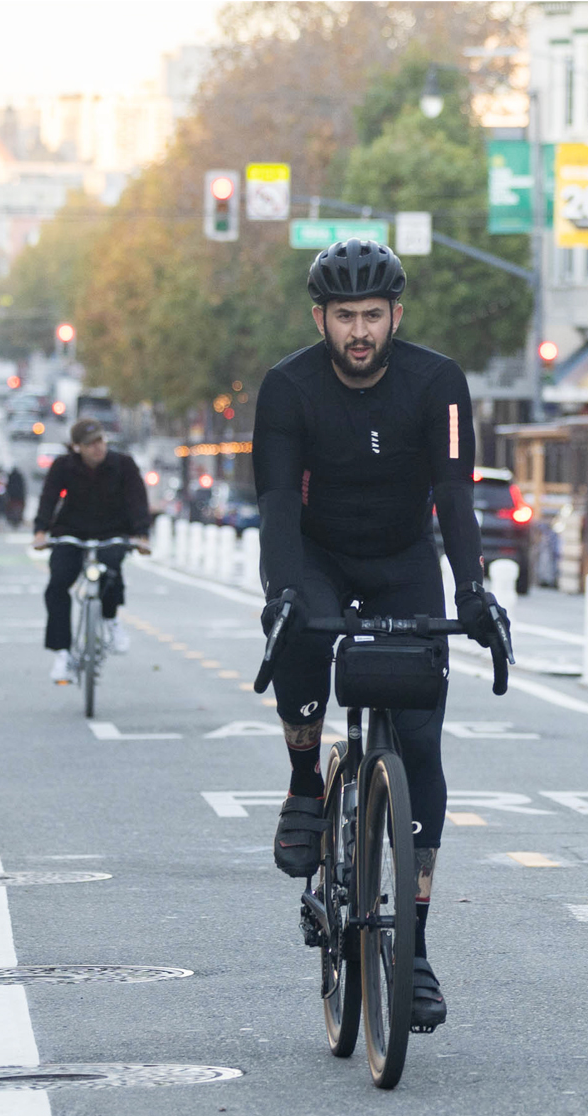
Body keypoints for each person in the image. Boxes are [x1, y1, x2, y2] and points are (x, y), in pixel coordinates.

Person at [253, 238, 501, 1033]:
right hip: (319, 557)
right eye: (342, 317)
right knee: (296, 636)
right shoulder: (286, 387)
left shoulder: (438, 382)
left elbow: (455, 496)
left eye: (371, 315)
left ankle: (415, 947)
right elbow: (276, 506)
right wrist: (284, 591)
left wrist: (472, 590)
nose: (357, 331)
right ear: (317, 317)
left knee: (421, 745)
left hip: (401, 561)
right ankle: (302, 786)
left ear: (395, 314)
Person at [33, 418, 152, 682]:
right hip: (70, 533)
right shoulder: (63, 466)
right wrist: (40, 531)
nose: (97, 448)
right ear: (77, 447)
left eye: (100, 441)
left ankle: (111, 620)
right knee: (57, 584)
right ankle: (63, 654)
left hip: (112, 532)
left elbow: (137, 500)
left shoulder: (124, 465)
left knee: (111, 569)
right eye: (90, 444)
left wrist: (142, 535)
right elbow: (49, 497)